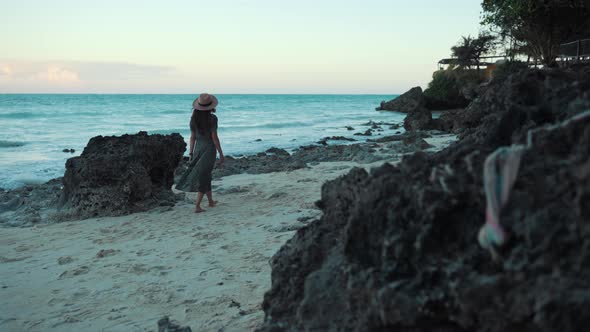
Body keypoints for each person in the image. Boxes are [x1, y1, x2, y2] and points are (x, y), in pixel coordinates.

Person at [175, 93, 225, 213]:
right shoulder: (213, 119)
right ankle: (197, 206)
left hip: (198, 149)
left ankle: (210, 201)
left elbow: (192, 137)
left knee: (206, 174)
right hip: (209, 150)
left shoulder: (193, 119)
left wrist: (191, 153)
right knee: (205, 175)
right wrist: (221, 154)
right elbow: (215, 138)